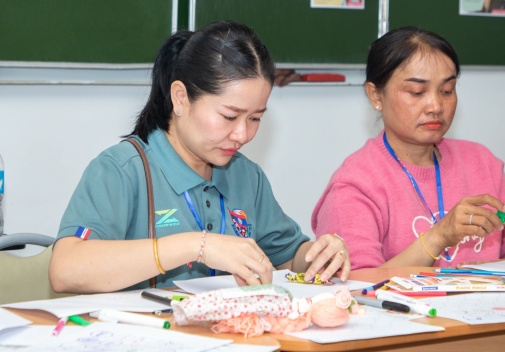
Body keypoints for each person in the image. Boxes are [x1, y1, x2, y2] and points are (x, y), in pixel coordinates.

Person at [49, 20, 350, 293]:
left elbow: (288, 257)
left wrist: (320, 255)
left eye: (255, 118)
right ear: (180, 98)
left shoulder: (245, 175)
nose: (242, 135)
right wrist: (196, 246)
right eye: (229, 116)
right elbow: (66, 270)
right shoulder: (122, 170)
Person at [311, 26, 505, 270]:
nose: (436, 106)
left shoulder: (481, 162)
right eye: (417, 92)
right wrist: (439, 237)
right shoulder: (355, 183)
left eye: (447, 90)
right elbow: (356, 287)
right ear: (375, 95)